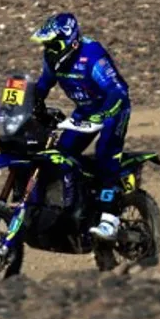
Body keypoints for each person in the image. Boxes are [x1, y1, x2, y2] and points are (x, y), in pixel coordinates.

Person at [29, 12, 131, 241]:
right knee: (61, 155)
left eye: (53, 44)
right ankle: (75, 206)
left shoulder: (92, 56)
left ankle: (110, 219)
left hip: (113, 110)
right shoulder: (52, 60)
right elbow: (43, 86)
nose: (48, 49)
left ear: (69, 41)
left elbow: (118, 92)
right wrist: (30, 105)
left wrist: (103, 116)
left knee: (106, 152)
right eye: (46, 44)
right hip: (84, 112)